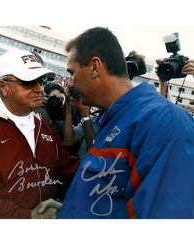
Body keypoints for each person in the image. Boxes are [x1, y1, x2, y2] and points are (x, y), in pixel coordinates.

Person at [58, 27, 194, 219]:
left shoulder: (165, 122)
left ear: (95, 67)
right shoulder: (114, 115)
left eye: (72, 72)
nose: (70, 83)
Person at [0, 49, 79, 219]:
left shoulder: (45, 128)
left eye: (41, 81)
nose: (40, 89)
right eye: (29, 82)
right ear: (4, 87)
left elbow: (70, 171)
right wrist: (26, 216)